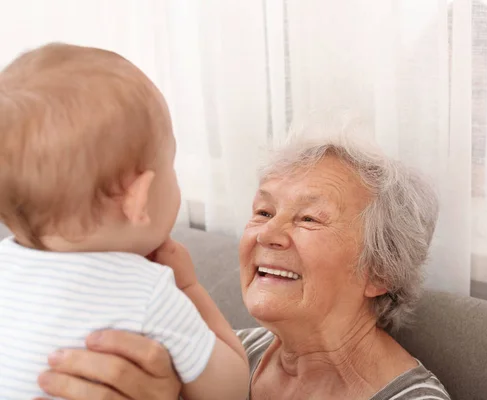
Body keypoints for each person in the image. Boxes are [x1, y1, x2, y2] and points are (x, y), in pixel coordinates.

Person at [35, 116, 450, 399]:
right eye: (263, 212)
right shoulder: (232, 354)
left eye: (308, 218)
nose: (267, 233)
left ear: (379, 269)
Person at [0, 43, 249, 400]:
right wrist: (189, 288)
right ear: (139, 198)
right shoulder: (148, 292)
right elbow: (232, 389)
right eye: (171, 164)